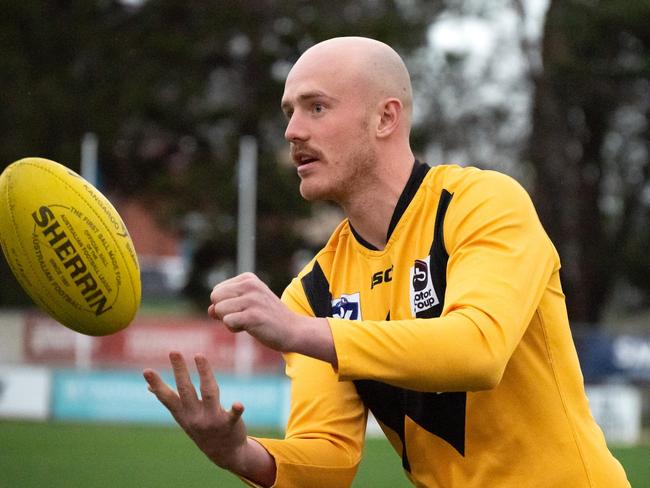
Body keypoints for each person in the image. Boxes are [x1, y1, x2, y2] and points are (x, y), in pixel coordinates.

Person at [143, 37, 630, 487]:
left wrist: (303, 333)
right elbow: (329, 458)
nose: (292, 131)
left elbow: (478, 350)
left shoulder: (481, 203)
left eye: (316, 107)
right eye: (289, 113)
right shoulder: (314, 293)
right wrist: (241, 455)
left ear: (385, 118)